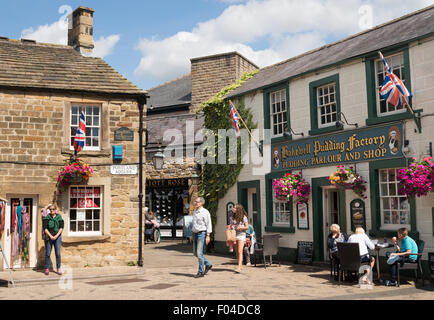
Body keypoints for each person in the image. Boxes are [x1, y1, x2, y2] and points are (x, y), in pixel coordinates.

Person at [190, 197, 212, 278]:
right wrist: (192, 234)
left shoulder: (205, 212)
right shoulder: (195, 211)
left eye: (197, 202)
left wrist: (208, 236)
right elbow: (194, 224)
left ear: (201, 203)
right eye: (195, 201)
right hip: (195, 234)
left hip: (202, 234)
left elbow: (209, 224)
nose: (195, 203)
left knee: (199, 253)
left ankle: (201, 271)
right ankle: (208, 264)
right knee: (195, 253)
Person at [42, 204, 64, 275]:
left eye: (53, 209)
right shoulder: (47, 217)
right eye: (50, 209)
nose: (51, 210)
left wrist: (56, 236)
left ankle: (58, 268)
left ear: (55, 210)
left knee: (57, 253)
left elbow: (61, 228)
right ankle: (47, 268)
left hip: (57, 236)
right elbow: (45, 228)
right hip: (49, 236)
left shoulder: (59, 217)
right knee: (48, 253)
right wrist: (51, 236)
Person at [230, 203, 249, 273]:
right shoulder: (233, 217)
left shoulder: (244, 217)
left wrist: (240, 228)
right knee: (237, 252)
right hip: (234, 234)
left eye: (235, 208)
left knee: (239, 251)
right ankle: (239, 264)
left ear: (238, 209)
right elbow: (231, 225)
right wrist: (231, 226)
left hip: (241, 234)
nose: (233, 209)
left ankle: (239, 267)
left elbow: (247, 227)